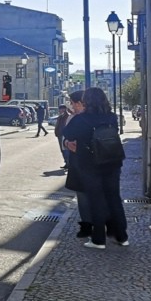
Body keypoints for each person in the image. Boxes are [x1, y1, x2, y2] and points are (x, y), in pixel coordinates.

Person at [63, 87, 127, 249]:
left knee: (96, 200)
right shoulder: (111, 117)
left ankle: (98, 239)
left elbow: (68, 133)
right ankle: (122, 236)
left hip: (90, 164)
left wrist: (77, 115)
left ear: (87, 101)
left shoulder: (82, 119)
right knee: (114, 198)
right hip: (112, 161)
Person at [62, 91, 92, 238]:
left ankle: (92, 225)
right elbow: (65, 137)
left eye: (73, 103)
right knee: (82, 196)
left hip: (88, 163)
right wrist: (67, 143)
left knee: (88, 196)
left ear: (80, 103)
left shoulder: (87, 119)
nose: (72, 106)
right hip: (79, 163)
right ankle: (88, 225)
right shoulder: (73, 118)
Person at [53, 105, 70, 169]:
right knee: (62, 150)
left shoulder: (67, 116)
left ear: (64, 109)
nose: (60, 111)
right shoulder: (60, 117)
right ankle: (66, 162)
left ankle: (68, 163)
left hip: (64, 135)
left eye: (61, 109)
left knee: (65, 149)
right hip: (59, 134)